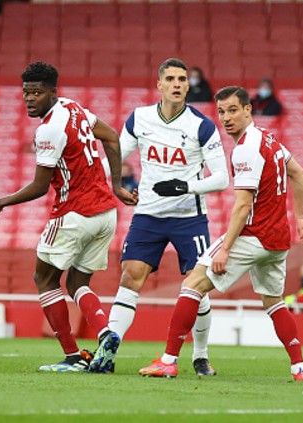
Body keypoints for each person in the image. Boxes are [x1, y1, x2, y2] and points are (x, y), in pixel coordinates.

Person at [138, 86, 303, 381]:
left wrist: (225, 249)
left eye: (233, 110)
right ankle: (299, 367)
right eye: (221, 112)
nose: (226, 118)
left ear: (248, 109)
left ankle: (169, 360)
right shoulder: (270, 140)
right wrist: (299, 217)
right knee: (274, 302)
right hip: (277, 240)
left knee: (193, 283)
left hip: (253, 234)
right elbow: (299, 173)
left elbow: (243, 204)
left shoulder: (246, 148)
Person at [0, 62, 137, 372]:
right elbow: (111, 136)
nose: (30, 99)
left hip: (74, 213)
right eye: (26, 92)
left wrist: (2, 201)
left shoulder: (49, 129)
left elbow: (41, 187)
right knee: (78, 281)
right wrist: (117, 184)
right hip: (105, 213)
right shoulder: (74, 108)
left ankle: (72, 356)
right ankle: (106, 333)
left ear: (53, 91)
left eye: (37, 93)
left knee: (44, 278)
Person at [102, 58, 229, 376]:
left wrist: (184, 186)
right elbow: (116, 157)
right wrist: (110, 182)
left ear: (188, 86)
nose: (176, 84)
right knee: (130, 276)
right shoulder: (139, 118)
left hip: (190, 217)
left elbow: (222, 177)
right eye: (170, 78)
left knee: (196, 286)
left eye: (182, 79)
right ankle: (109, 347)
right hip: (148, 213)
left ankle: (200, 355)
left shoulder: (202, 126)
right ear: (158, 84)